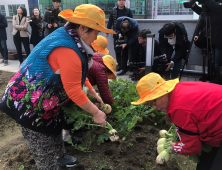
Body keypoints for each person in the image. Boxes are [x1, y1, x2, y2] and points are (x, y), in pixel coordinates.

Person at [0, 4, 115, 169]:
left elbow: (77, 74)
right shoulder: (68, 49)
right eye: (96, 32)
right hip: (29, 104)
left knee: (55, 128)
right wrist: (96, 113)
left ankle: (61, 157)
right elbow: (74, 90)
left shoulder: (72, 39)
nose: (97, 38)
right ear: (83, 29)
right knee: (43, 147)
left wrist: (90, 90)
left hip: (47, 101)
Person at [132, 72, 222, 170]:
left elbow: (193, 147)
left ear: (162, 92)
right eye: (150, 105)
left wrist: (175, 147)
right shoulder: (179, 89)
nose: (154, 107)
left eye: (154, 102)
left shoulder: (178, 109)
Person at [190, 0, 222, 84]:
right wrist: (194, 6)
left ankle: (218, 81)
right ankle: (213, 78)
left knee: (218, 62)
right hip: (213, 39)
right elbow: (203, 14)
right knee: (213, 61)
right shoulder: (212, 6)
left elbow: (217, 7)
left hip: (219, 39)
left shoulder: (217, 5)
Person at [106, 0, 133, 71]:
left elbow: (132, 21)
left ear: (125, 2)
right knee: (117, 49)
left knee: (125, 50)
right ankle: (119, 65)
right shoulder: (114, 10)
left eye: (123, 0)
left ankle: (124, 66)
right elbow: (110, 21)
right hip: (116, 33)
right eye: (120, 0)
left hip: (126, 34)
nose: (121, 2)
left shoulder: (128, 11)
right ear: (117, 1)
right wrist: (107, 31)